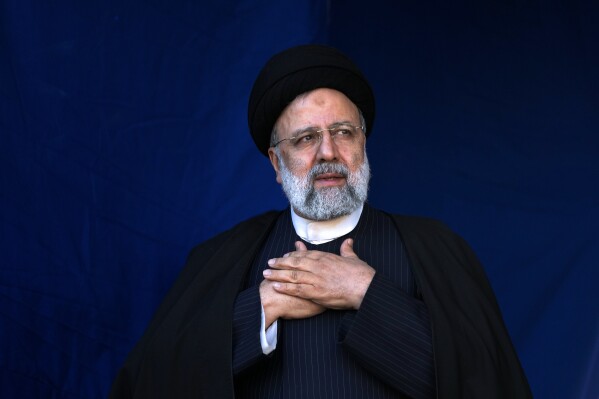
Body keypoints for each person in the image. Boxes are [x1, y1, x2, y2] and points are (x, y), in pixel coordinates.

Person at [109, 44, 532, 399]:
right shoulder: (222, 258)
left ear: (363, 144)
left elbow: (482, 384)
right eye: (306, 138)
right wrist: (259, 310)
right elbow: (155, 383)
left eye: (344, 132)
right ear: (277, 162)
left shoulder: (435, 248)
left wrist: (365, 293)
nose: (328, 152)